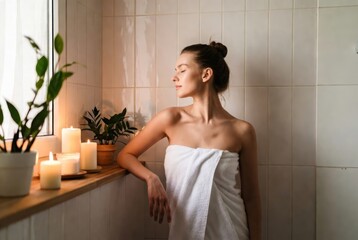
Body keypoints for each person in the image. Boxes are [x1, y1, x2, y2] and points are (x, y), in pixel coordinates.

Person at [117, 41, 261, 240]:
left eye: (182, 70)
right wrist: (152, 178)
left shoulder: (242, 131)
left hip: (231, 231)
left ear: (206, 74)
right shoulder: (170, 119)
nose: (174, 77)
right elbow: (126, 155)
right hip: (185, 232)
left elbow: (251, 198)